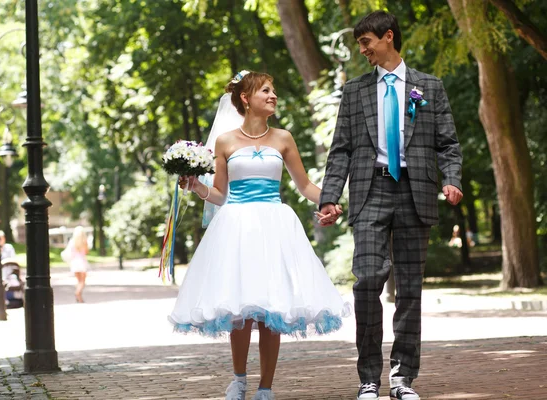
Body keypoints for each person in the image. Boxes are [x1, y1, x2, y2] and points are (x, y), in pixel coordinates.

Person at [169, 70, 351, 400]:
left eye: (274, 90)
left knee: (273, 312)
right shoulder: (225, 141)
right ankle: (238, 379)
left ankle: (265, 388)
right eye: (265, 90)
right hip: (236, 227)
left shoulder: (283, 138)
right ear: (245, 98)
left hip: (274, 226)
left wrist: (331, 200)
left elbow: (305, 185)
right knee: (240, 312)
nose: (273, 96)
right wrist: (197, 187)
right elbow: (221, 194)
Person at [318, 11, 463, 400]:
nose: (361, 50)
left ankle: (403, 379)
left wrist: (452, 180)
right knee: (366, 282)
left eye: (365, 42)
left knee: (411, 290)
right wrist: (330, 196)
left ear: (387, 37)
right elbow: (341, 151)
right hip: (370, 193)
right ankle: (368, 378)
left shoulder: (428, 86)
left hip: (416, 193)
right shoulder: (354, 91)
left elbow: (448, 143)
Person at [62, 226, 90, 303]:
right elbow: (87, 252)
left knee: (78, 281)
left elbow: (70, 252)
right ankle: (78, 293)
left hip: (74, 263)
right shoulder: (84, 242)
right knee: (83, 281)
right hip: (82, 262)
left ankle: (79, 297)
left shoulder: (72, 241)